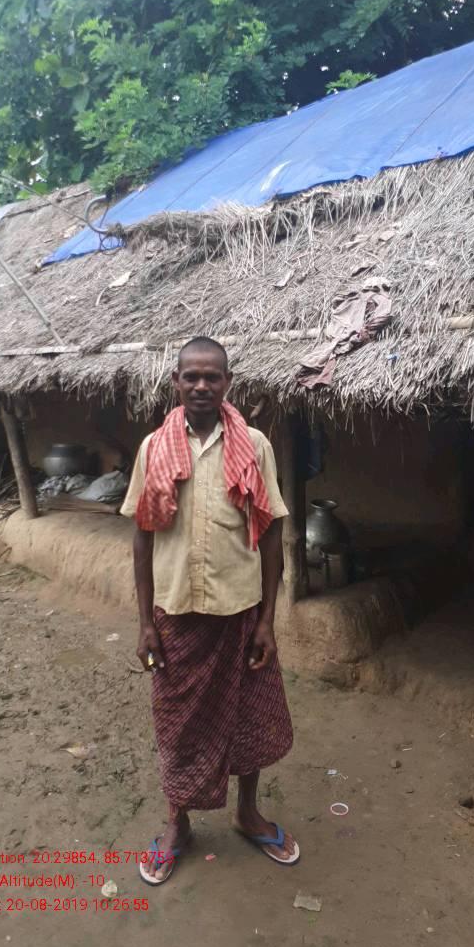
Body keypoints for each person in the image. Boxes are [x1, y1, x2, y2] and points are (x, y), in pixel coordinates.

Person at [120, 336, 299, 885]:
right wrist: (145, 623)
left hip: (240, 612)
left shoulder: (255, 445)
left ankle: (247, 813)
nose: (201, 385)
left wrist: (268, 620)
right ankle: (178, 826)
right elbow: (142, 536)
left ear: (227, 382)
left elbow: (271, 532)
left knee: (251, 719)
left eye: (212, 376)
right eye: (191, 376)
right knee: (177, 726)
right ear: (176, 381)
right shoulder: (153, 448)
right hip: (176, 615)